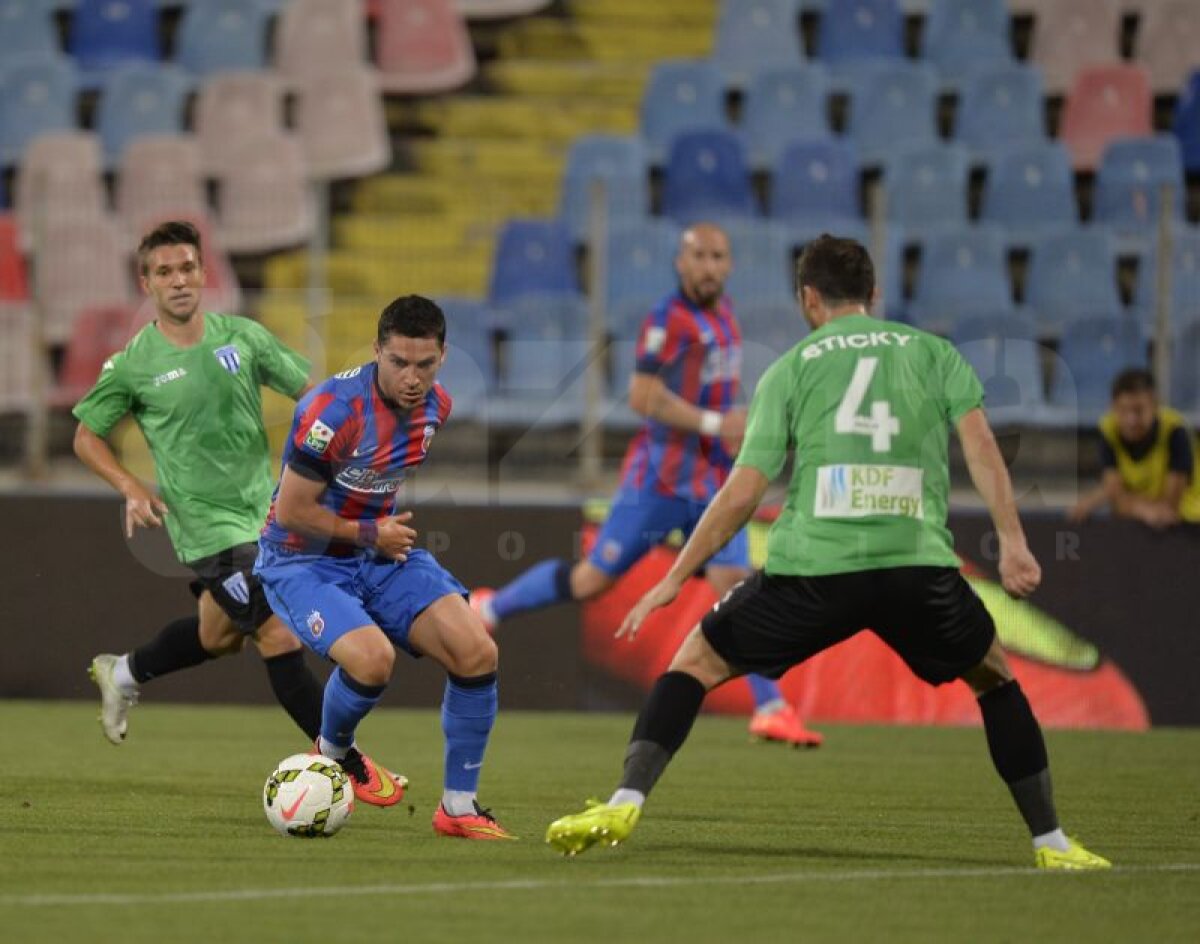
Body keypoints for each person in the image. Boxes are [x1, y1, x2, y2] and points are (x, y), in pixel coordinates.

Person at [545, 234, 1110, 870]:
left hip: (813, 571)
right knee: (996, 680)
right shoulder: (932, 353)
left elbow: (744, 488)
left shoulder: (791, 368)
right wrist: (1012, 543)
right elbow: (981, 447)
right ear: (874, 294)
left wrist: (676, 574)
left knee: (694, 662)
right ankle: (1052, 844)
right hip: (914, 567)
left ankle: (625, 800)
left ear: (808, 299)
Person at [75, 220, 403, 808]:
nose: (179, 281)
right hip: (204, 527)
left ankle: (122, 673)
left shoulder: (242, 338)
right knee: (275, 629)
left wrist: (353, 444)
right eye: (165, 272)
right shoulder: (131, 365)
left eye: (188, 268)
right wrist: (128, 485)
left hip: (269, 516)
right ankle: (348, 765)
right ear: (145, 282)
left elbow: (316, 394)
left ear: (204, 273)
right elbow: (86, 437)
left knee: (218, 636)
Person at [471, 222, 822, 747]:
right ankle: (490, 609)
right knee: (594, 580)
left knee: (738, 590)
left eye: (717, 256)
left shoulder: (724, 315)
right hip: (658, 482)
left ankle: (771, 707)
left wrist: (732, 426)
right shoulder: (667, 320)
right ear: (681, 263)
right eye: (698, 256)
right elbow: (641, 396)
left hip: (711, 482)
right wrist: (712, 424)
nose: (708, 266)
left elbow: (712, 395)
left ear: (730, 264)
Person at [255, 294, 513, 840]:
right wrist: (369, 531)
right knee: (372, 661)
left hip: (378, 554)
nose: (412, 378)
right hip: (301, 560)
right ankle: (333, 754)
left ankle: (459, 808)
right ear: (377, 351)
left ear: (443, 355)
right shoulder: (331, 411)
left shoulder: (436, 407)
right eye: (398, 363)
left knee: (477, 651)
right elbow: (294, 511)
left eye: (425, 364)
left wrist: (375, 536)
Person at [1067, 367, 1200, 528]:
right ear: (1113, 407)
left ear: (1154, 405)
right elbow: (1115, 498)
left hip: (1190, 525)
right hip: (1141, 524)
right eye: (1123, 410)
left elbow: (1168, 509)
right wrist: (1141, 509)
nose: (1131, 420)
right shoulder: (1108, 430)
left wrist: (1127, 502)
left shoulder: (1175, 432)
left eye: (1138, 410)